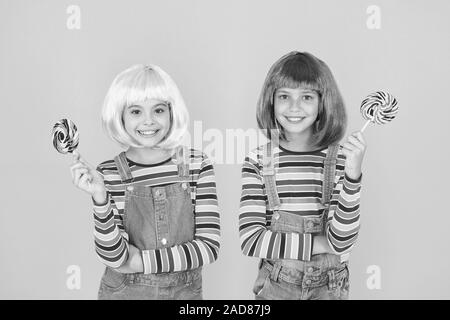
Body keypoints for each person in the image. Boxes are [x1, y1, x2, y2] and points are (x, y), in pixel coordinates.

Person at [70, 64, 220, 299]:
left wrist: (140, 261)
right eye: (136, 112)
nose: (148, 121)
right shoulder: (108, 174)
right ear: (120, 115)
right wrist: (100, 197)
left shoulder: (196, 165)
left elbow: (209, 247)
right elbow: (115, 258)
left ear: (171, 112)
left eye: (158, 110)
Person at [239, 51, 366, 300]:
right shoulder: (257, 162)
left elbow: (341, 242)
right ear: (271, 102)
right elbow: (251, 240)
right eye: (284, 96)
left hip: (329, 288)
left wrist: (353, 176)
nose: (294, 107)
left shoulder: (341, 160)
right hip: (277, 286)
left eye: (306, 97)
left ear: (322, 104)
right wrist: (319, 245)